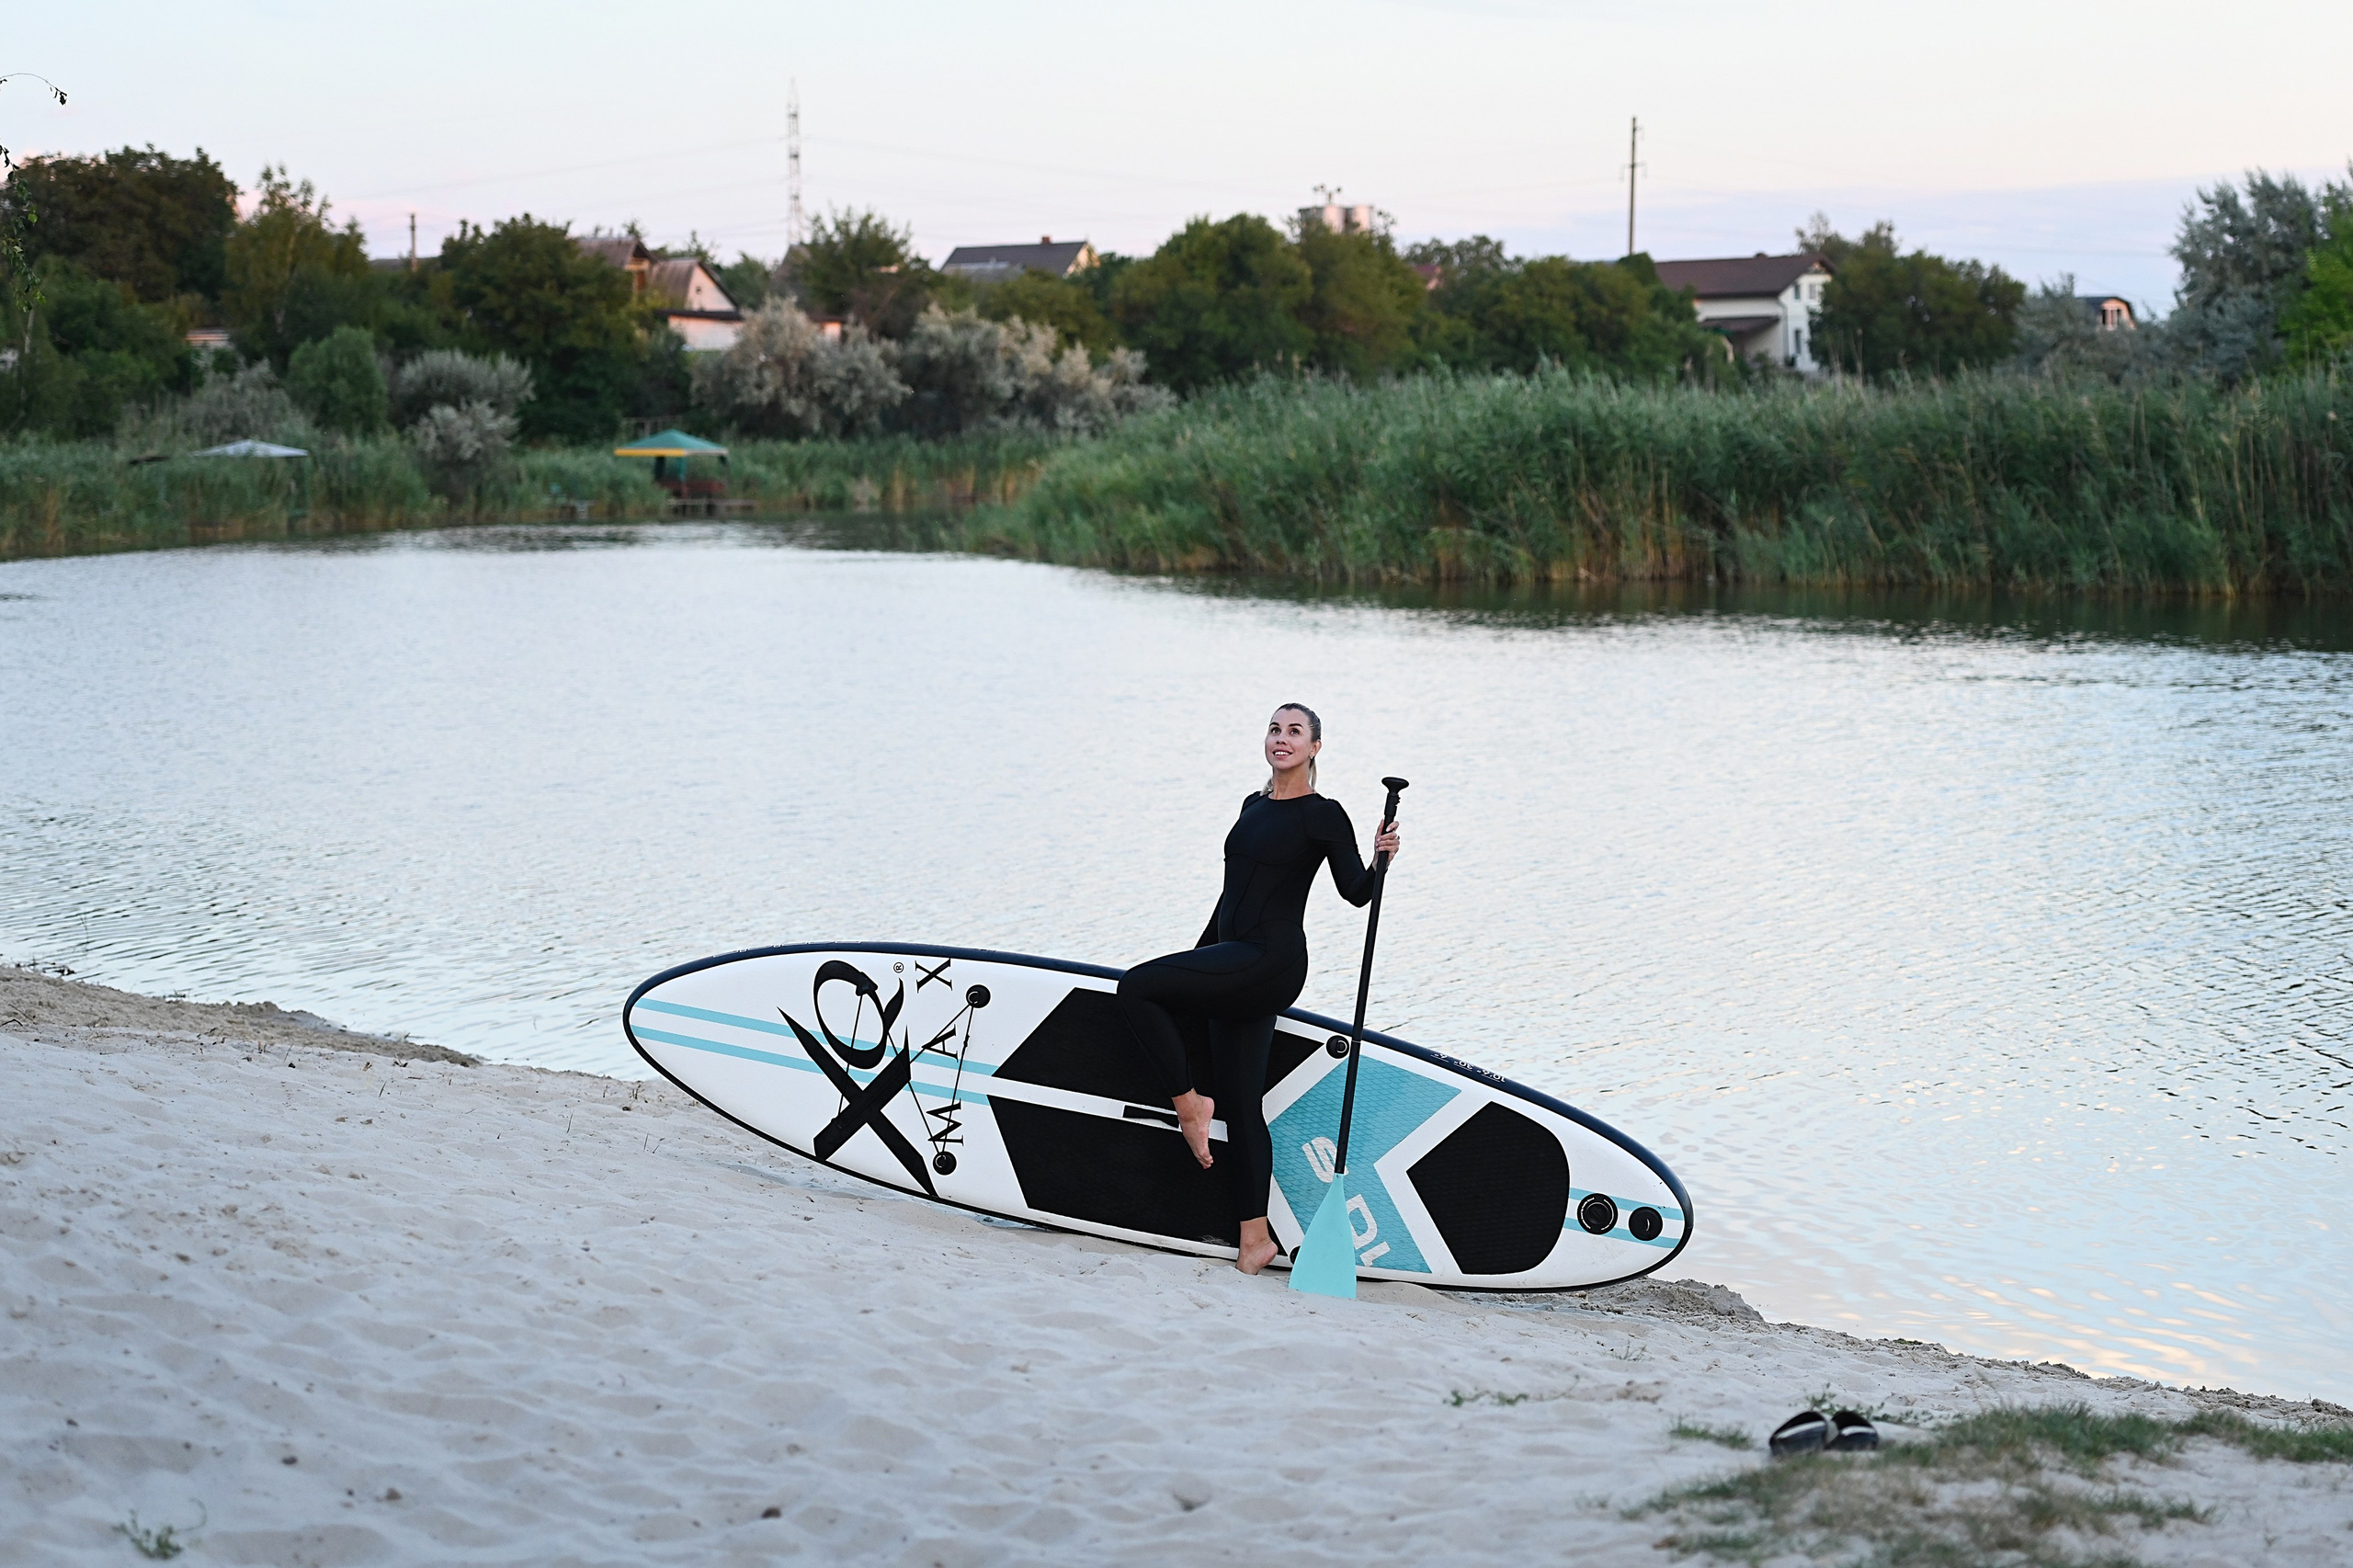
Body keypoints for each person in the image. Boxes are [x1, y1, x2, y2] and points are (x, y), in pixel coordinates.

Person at [1115, 703, 1402, 1276]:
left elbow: (1356, 893)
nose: (1282, 739)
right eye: (1275, 729)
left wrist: (1380, 858)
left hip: (1270, 962)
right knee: (1245, 1105)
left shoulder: (1324, 814)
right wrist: (1201, 961)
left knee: (1138, 988)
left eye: (1295, 732)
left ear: (1315, 747)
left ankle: (1190, 1106)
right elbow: (1230, 898)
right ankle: (1255, 1241)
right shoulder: (1253, 805)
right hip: (1233, 960)